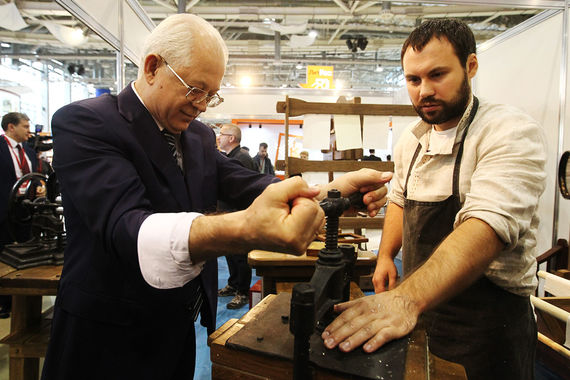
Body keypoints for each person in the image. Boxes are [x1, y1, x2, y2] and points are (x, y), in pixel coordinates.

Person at [40, 14, 392, 380]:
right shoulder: (87, 122)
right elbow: (126, 227)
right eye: (195, 89)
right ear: (152, 67)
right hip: (105, 337)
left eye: (212, 94)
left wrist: (334, 191)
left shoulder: (197, 137)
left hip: (178, 325)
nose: (203, 104)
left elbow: (245, 183)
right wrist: (244, 229)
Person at [321, 19, 546, 380]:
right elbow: (400, 199)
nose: (424, 90)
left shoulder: (509, 132)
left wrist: (405, 299)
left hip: (488, 328)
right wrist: (384, 258)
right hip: (423, 313)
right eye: (413, 80)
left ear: (470, 66)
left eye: (437, 75)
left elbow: (486, 227)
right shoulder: (412, 139)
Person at [0, 112, 38, 318]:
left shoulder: (29, 152)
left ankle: (21, 301)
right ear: (11, 127)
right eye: (24, 126)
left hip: (25, 209)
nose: (28, 130)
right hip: (3, 208)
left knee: (27, 253)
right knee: (4, 254)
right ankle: (4, 302)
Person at [216, 124, 257, 309]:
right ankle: (233, 285)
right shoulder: (231, 157)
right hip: (228, 213)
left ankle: (242, 292)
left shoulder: (242, 158)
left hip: (239, 215)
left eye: (221, 134)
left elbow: (245, 189)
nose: (218, 137)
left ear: (231, 138)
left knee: (240, 256)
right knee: (230, 254)